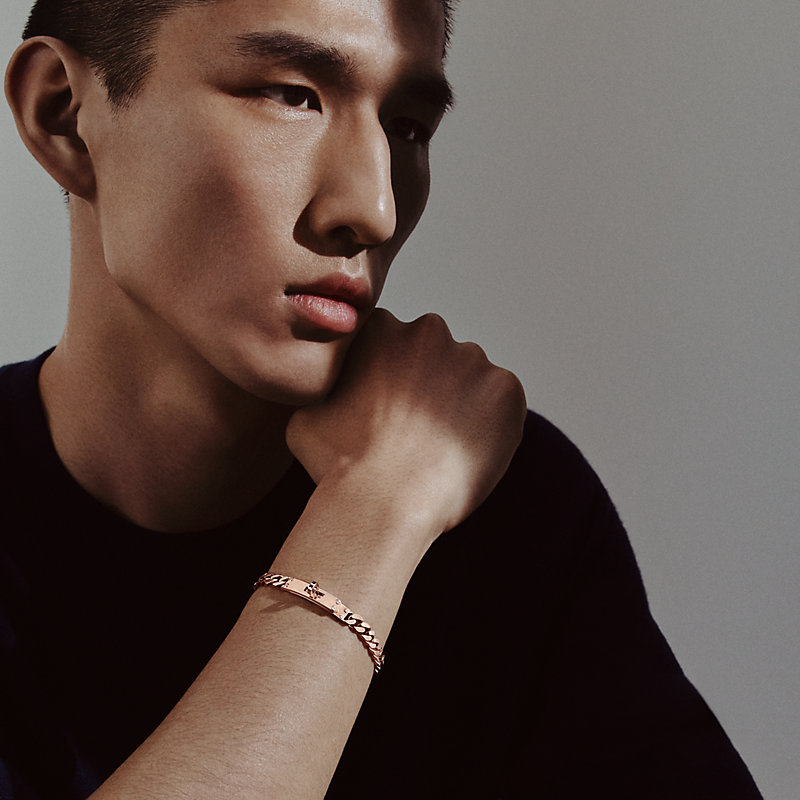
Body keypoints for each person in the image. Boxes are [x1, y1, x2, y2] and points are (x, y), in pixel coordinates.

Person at [0, 0, 763, 797]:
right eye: (293, 96)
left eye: (407, 128)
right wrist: (371, 512)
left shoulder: (497, 507)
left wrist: (401, 498)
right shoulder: (418, 487)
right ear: (64, 114)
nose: (373, 209)